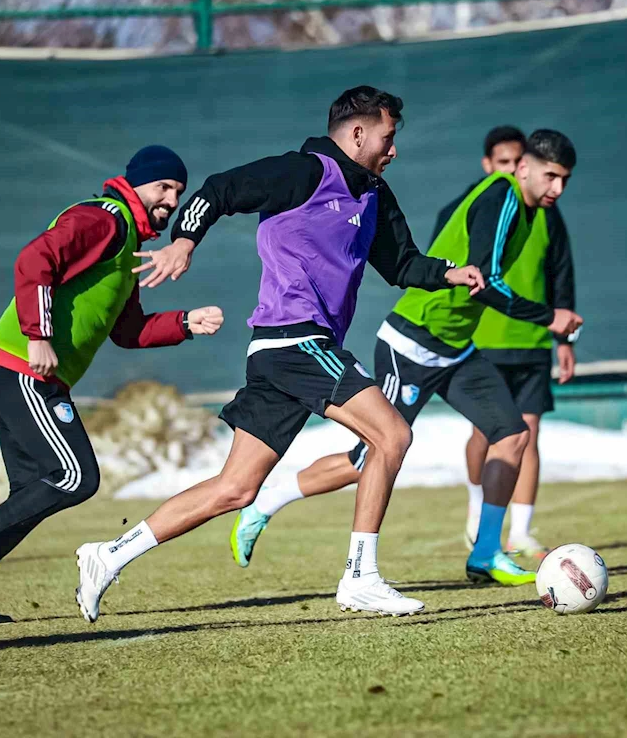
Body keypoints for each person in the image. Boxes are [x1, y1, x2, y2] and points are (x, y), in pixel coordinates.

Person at [74, 86, 484, 622]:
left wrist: (449, 273)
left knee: (235, 489)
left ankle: (107, 555)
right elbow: (219, 191)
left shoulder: (373, 194)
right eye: (387, 138)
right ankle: (361, 578)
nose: (393, 149)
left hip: (282, 353)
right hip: (296, 341)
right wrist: (184, 241)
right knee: (392, 435)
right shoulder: (304, 171)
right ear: (358, 133)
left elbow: (402, 263)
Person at [231, 129, 582, 587]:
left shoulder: (534, 211)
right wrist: (549, 317)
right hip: (412, 343)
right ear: (524, 168)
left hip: (456, 347)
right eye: (551, 176)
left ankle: (486, 553)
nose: (558, 188)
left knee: (512, 435)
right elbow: (485, 282)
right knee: (369, 456)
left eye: (565, 180)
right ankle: (265, 503)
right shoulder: (503, 197)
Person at [0, 146, 223, 627]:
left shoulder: (126, 244)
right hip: (24, 368)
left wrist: (186, 322)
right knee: (75, 477)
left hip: (27, 372)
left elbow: (128, 332)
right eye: (163, 187)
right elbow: (35, 259)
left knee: (31, 496)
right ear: (137, 183)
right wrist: (38, 335)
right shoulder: (106, 219)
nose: (172, 200)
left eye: (178, 191)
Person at [466, 128, 577, 560]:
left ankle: (521, 532)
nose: (512, 169)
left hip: (532, 342)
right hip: (484, 339)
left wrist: (564, 338)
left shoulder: (547, 213)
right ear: (489, 165)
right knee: (485, 433)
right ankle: (477, 514)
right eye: (504, 163)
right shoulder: (480, 203)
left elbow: (561, 274)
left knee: (527, 435)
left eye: (517, 162)